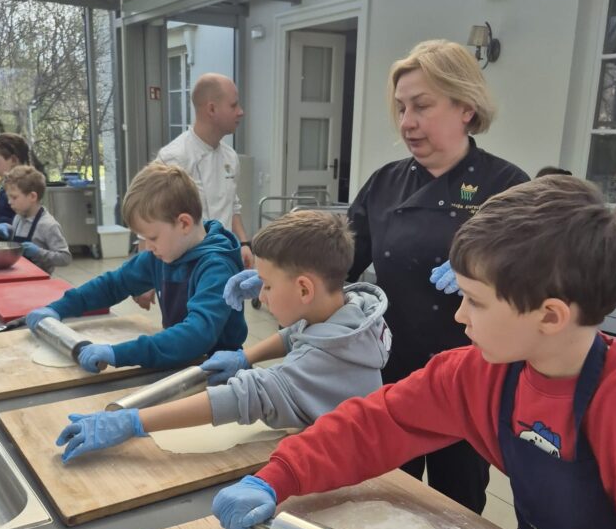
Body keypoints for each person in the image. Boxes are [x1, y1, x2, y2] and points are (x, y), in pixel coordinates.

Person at [212, 176, 616, 529]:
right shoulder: (479, 375)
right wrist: (280, 475)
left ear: (550, 316)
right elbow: (377, 423)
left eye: (476, 300)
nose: (459, 316)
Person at [231, 41, 528, 514]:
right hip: (387, 367)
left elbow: (538, 285)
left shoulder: (507, 187)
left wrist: (492, 271)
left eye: (422, 106)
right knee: (384, 497)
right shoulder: (386, 183)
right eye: (401, 108)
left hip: (469, 379)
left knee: (456, 506)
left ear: (466, 107)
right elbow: (336, 263)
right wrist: (277, 277)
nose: (407, 122)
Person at [55, 210, 391, 462]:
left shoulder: (318, 362)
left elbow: (244, 396)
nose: (261, 295)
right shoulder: (349, 312)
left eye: (267, 286)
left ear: (304, 289)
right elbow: (296, 334)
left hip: (347, 466)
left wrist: (134, 421)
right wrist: (246, 356)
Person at [25, 162, 247, 373]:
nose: (148, 247)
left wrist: (118, 353)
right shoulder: (163, 254)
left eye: (153, 237)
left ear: (184, 223)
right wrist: (59, 308)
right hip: (182, 361)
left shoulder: (216, 268)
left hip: (221, 373)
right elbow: (113, 284)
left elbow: (196, 335)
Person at [157, 73, 253, 269]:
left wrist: (244, 243)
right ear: (212, 109)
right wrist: (147, 276)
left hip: (224, 257)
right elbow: (152, 218)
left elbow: (232, 205)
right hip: (186, 265)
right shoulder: (173, 158)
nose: (241, 112)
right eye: (233, 105)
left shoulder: (230, 157)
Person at [0, 166, 70, 274]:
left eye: (14, 197)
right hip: (18, 275)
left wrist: (38, 252)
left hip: (38, 280)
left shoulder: (48, 225)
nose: (9, 202)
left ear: (32, 196)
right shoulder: (18, 217)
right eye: (8, 197)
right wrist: (8, 230)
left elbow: (65, 258)